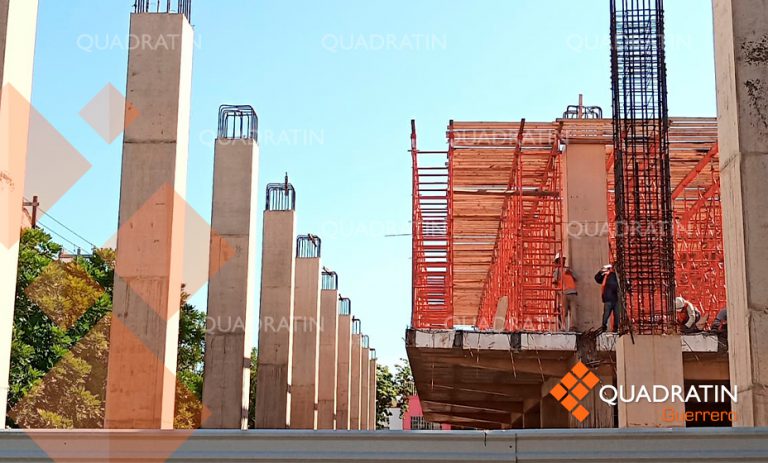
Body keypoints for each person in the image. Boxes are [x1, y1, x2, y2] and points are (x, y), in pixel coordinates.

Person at [552, 254, 578, 331]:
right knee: (564, 312)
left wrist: (570, 273)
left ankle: (573, 327)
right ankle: (563, 327)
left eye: (563, 259)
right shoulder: (557, 270)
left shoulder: (568, 269)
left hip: (572, 292)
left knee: (573, 311)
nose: (563, 261)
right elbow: (555, 281)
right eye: (561, 259)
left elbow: (576, 278)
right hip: (564, 293)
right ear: (558, 261)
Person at [594, 264, 619, 332]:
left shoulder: (611, 276)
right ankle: (612, 327)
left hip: (611, 298)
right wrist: (601, 272)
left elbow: (613, 285)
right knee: (613, 314)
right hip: (611, 298)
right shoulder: (606, 276)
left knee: (609, 313)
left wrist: (602, 273)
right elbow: (597, 279)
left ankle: (606, 327)